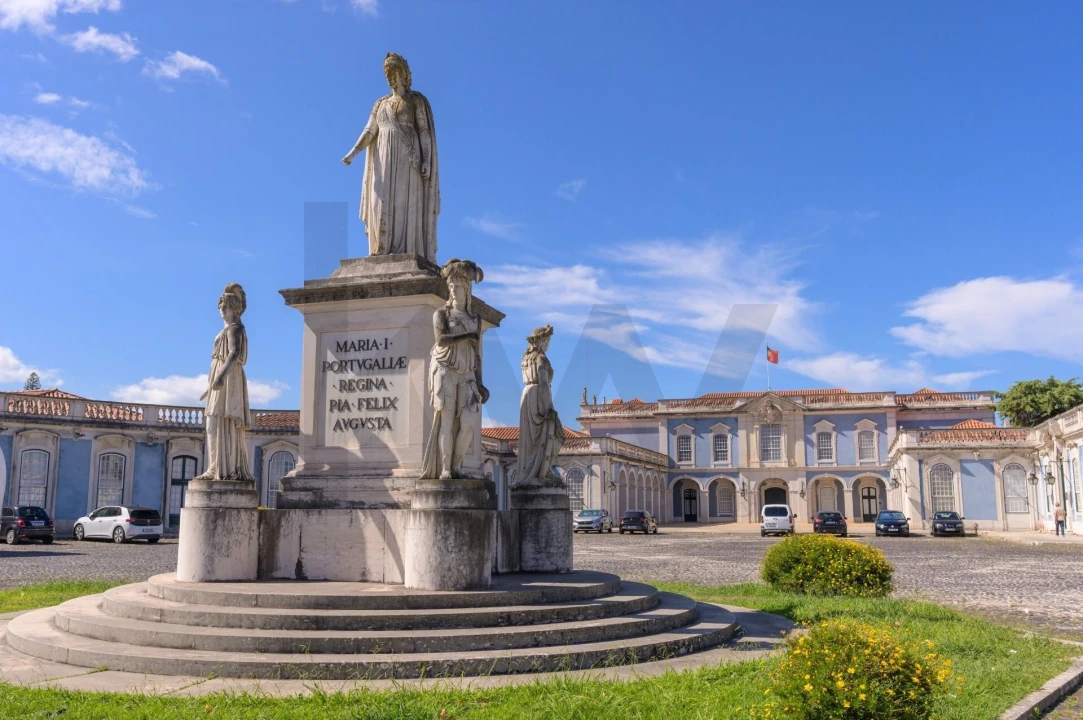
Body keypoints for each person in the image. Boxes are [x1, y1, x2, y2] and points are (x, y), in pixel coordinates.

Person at [342, 52, 439, 260]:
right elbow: (370, 130)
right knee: (379, 200)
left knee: (404, 202)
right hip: (382, 157)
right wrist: (353, 152)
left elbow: (424, 130)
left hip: (407, 157)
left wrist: (427, 159)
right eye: (389, 74)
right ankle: (381, 247)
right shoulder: (380, 104)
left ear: (404, 74)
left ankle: (407, 249)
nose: (393, 78)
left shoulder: (416, 101)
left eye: (396, 73)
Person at [196, 283, 254, 483]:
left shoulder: (235, 328)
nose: (222, 310)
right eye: (221, 307)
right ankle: (215, 467)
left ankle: (219, 468)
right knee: (213, 423)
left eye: (226, 307)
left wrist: (220, 377)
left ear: (235, 309)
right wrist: (213, 382)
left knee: (218, 421)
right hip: (222, 377)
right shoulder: (228, 329)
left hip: (229, 378)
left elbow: (234, 353)